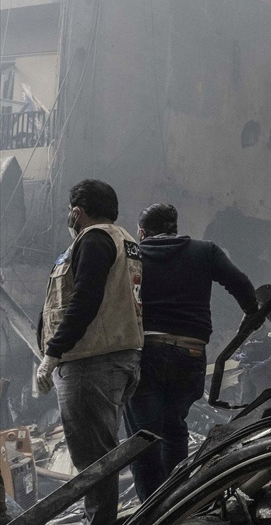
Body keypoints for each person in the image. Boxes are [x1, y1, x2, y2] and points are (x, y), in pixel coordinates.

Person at [124, 203, 258, 500]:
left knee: (143, 440)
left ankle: (153, 515)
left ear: (143, 232)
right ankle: (178, 505)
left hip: (146, 354)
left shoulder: (134, 255)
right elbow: (242, 284)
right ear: (174, 228)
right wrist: (249, 316)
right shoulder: (205, 251)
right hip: (191, 355)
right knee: (175, 429)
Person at [36, 180, 143, 525]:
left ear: (77, 212)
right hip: (118, 359)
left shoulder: (94, 240)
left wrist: (53, 353)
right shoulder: (126, 241)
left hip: (91, 364)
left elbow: (84, 300)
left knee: (94, 460)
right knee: (103, 454)